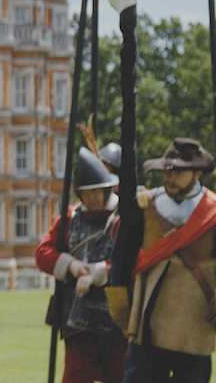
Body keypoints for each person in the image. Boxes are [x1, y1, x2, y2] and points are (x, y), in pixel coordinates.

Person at [115, 138, 216, 383]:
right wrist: (120, 308)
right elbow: (122, 258)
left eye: (178, 171)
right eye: (167, 170)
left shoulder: (212, 211)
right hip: (148, 326)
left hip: (194, 325)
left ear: (197, 172)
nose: (169, 177)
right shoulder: (145, 205)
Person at [35, 148, 125, 383]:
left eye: (98, 192)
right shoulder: (69, 217)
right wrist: (71, 265)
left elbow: (133, 258)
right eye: (88, 193)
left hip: (117, 319)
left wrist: (99, 273)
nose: (94, 198)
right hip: (77, 318)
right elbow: (43, 253)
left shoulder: (122, 218)